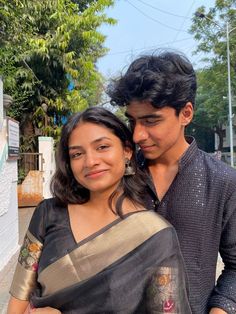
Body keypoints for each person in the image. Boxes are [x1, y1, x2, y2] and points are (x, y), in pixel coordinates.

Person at [7, 107, 191, 314]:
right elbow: (17, 300)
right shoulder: (48, 213)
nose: (90, 162)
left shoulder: (157, 237)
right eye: (77, 154)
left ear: (127, 151)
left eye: (102, 147)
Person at [107, 51, 236, 314]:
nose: (138, 134)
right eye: (132, 121)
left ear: (185, 113)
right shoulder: (117, 177)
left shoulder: (223, 181)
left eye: (151, 120)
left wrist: (220, 310)